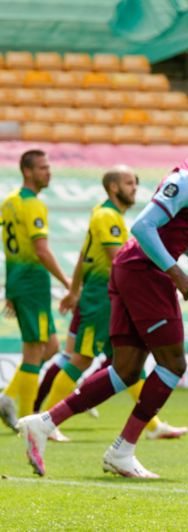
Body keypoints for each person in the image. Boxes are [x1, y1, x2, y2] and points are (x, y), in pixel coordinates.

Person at [16, 120, 188, 478]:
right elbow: (143, 227)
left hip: (135, 270)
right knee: (173, 364)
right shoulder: (185, 180)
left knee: (126, 369)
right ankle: (123, 450)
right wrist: (176, 274)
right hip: (143, 272)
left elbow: (184, 232)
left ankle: (43, 423)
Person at [42, 166, 187, 442]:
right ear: (113, 188)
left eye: (135, 182)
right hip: (101, 298)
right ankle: (48, 421)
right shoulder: (107, 216)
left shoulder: (109, 215)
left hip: (113, 296)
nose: (134, 187)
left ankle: (152, 424)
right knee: (82, 359)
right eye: (129, 183)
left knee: (131, 360)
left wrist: (73, 291)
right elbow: (117, 257)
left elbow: (83, 256)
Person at [0, 150, 70, 430]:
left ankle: (7, 398)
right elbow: (41, 250)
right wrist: (68, 284)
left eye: (49, 167)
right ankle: (29, 422)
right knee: (34, 350)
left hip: (20, 280)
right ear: (27, 171)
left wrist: (10, 287)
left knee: (51, 346)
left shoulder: (8, 202)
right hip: (32, 283)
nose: (48, 172)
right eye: (42, 168)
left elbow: (8, 248)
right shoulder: (33, 205)